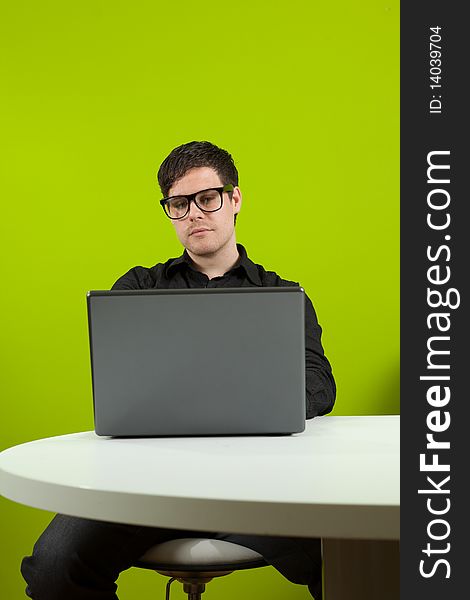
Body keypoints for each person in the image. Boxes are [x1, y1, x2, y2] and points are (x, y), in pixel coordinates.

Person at [21, 141, 336, 600]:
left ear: (234, 199)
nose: (194, 214)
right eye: (178, 204)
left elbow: (320, 385)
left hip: (262, 484)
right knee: (51, 567)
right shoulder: (136, 289)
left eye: (206, 199)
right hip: (148, 485)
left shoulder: (281, 295)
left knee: (353, 553)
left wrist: (265, 403)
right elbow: (119, 381)